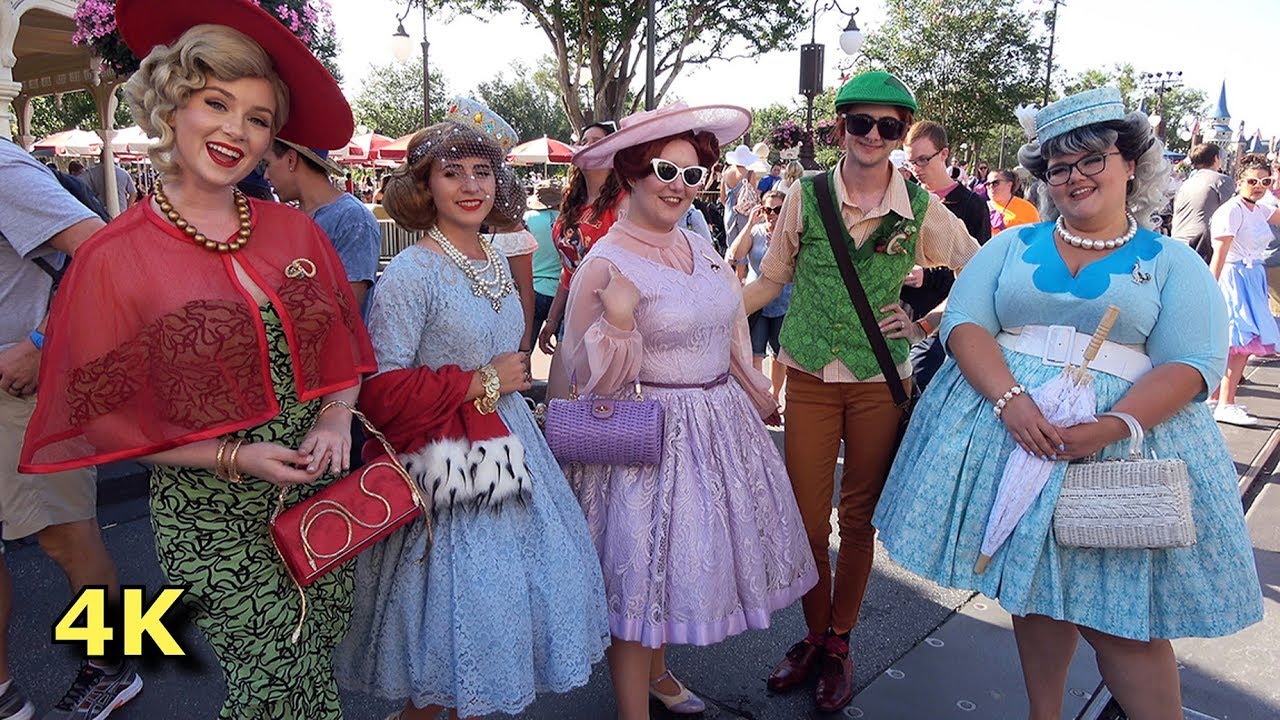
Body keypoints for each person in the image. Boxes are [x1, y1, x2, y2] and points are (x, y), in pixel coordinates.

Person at [19, 2, 378, 716]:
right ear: (173, 105)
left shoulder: (297, 234)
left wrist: (338, 419)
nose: (235, 132)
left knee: (316, 657)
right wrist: (237, 457)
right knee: (269, 673)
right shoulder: (114, 258)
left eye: (258, 119)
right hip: (211, 512)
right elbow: (112, 418)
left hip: (318, 490)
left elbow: (342, 351)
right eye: (217, 103)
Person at [874, 87, 1263, 720]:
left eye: (1091, 159)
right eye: (1059, 167)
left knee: (1122, 620)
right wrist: (1012, 403)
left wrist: (1109, 426)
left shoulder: (1169, 263)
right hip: (1012, 434)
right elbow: (966, 322)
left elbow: (1193, 363)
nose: (1075, 177)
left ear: (1130, 163)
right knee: (1033, 592)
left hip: (1117, 454)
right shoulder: (1010, 246)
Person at [333, 105, 608, 720]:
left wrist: (497, 382)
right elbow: (377, 390)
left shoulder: (493, 259)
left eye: (481, 171)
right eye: (451, 172)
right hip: (444, 455)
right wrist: (480, 379)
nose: (470, 185)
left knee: (492, 623)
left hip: (505, 439)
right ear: (424, 185)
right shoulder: (410, 272)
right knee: (460, 625)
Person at [562, 101, 816, 720]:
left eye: (692, 173)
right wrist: (618, 321)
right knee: (637, 581)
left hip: (715, 426)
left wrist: (754, 387)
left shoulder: (700, 247)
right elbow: (578, 380)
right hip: (643, 436)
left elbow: (728, 328)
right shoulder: (606, 261)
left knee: (673, 567)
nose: (679, 186)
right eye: (663, 171)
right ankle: (632, 709)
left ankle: (658, 671)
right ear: (631, 173)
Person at [742, 71, 979, 714]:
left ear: (902, 133)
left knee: (859, 519)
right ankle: (813, 635)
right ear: (840, 126)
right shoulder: (806, 194)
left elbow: (981, 269)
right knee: (805, 518)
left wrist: (929, 319)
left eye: (889, 126)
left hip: (881, 381)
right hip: (812, 378)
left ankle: (839, 642)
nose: (873, 136)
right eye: (861, 123)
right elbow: (769, 282)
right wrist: (703, 310)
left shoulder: (922, 208)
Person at [0, 140, 132, 720]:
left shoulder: (1, 166)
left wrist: (40, 344)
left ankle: (114, 665)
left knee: (65, 536)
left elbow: (105, 250)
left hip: (24, 388)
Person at [539, 121, 626, 393]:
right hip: (571, 314)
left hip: (608, 317)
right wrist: (552, 320)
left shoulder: (625, 202)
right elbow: (568, 271)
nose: (588, 146)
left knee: (601, 406)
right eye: (584, 140)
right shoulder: (572, 204)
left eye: (597, 141)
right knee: (558, 401)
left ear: (613, 151)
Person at [902, 120, 990, 391]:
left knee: (920, 380)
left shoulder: (971, 204)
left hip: (942, 317)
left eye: (923, 160)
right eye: (911, 163)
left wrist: (926, 276)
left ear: (944, 154)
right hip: (900, 312)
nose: (917, 169)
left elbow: (978, 271)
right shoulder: (904, 200)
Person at [262, 139, 380, 316]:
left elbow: (346, 309)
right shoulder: (290, 218)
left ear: (291, 160)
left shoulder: (353, 220)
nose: (265, 176)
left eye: (267, 164)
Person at [1207, 153, 1280, 426]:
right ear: (1239, 181)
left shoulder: (1258, 208)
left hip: (1252, 277)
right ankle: (1226, 402)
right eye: (1253, 181)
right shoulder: (1232, 210)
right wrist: (1210, 291)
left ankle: (1219, 398)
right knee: (1238, 343)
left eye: (1266, 181)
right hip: (1234, 278)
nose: (1259, 185)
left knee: (1238, 345)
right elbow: (1220, 255)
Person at [727, 190, 791, 401]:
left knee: (779, 355)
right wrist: (749, 223)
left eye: (777, 209)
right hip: (757, 302)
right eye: (768, 209)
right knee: (755, 352)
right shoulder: (756, 232)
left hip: (783, 301)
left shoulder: (790, 234)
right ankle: (759, 397)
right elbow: (736, 254)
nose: (772, 214)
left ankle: (773, 396)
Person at [1172, 143, 1236, 263]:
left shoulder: (1186, 183)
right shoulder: (1221, 180)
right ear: (1216, 158)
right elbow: (1233, 213)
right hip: (1200, 245)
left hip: (1177, 241)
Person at [525, 180, 562, 355]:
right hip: (561, 294)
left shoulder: (527, 219)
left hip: (533, 289)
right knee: (566, 353)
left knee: (524, 349)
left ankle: (522, 381)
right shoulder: (567, 221)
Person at [987, 167, 1040, 235]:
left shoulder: (1027, 208)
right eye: (988, 184)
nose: (991, 186)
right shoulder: (981, 207)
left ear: (1009, 184)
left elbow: (1035, 235)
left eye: (995, 183)